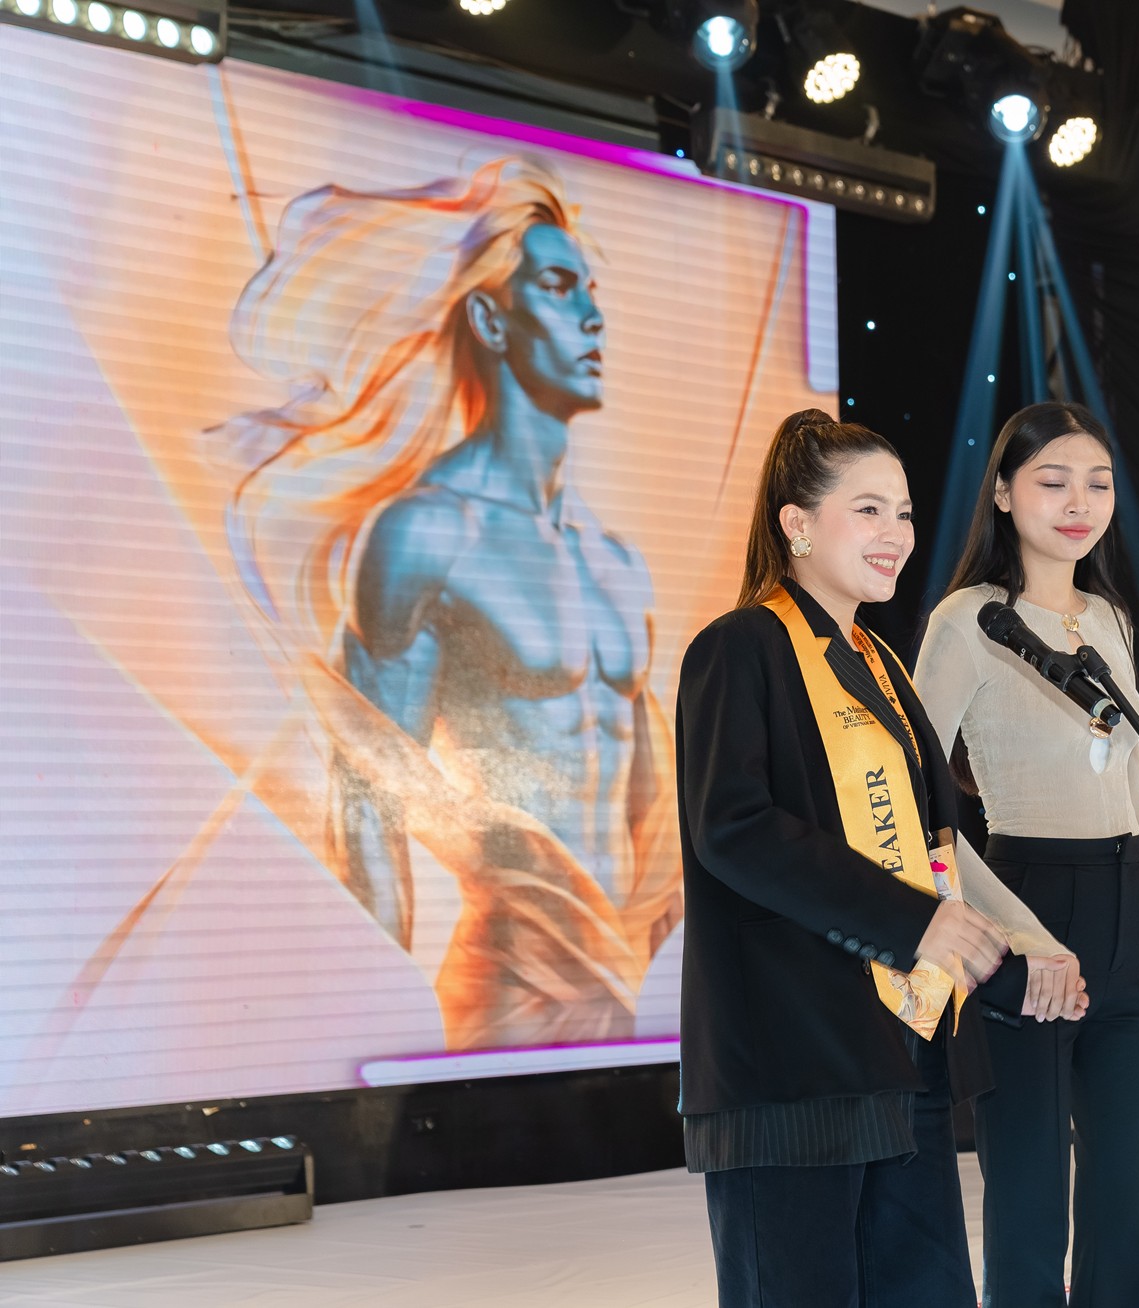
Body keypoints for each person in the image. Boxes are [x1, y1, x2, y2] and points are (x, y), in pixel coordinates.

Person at [215, 157, 680, 1049]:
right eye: (558, 287)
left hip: (634, 1004)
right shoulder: (428, 532)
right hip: (505, 1004)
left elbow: (655, 831)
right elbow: (369, 802)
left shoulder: (618, 564)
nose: (593, 316)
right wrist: (381, 1039)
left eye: (592, 291)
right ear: (489, 319)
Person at [676, 410, 1085, 1307]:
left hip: (903, 1066)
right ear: (796, 523)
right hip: (792, 1068)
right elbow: (733, 830)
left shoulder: (885, 670)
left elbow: (925, 857)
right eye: (867, 510)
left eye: (902, 513)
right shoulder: (740, 650)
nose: (895, 534)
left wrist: (1009, 965)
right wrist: (917, 926)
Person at [916, 401, 1139, 1306]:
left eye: (1098, 483)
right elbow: (924, 809)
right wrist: (1018, 935)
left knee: (1129, 1210)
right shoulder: (969, 619)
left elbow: (1136, 796)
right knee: (1029, 1203)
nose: (1079, 503)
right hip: (1026, 903)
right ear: (1005, 494)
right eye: (1053, 482)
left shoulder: (1110, 620)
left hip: (1131, 908)